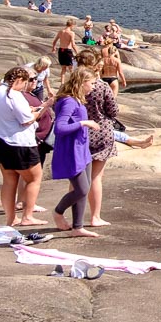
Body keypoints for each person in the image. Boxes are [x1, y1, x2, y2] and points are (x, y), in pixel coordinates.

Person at [0, 66, 51, 227]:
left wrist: (30, 110)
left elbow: (11, 114)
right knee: (34, 179)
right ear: (19, 80)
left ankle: (10, 218)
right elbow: (27, 120)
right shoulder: (14, 95)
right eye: (26, 82)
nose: (25, 86)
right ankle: (27, 216)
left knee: (9, 180)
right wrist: (45, 106)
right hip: (19, 143)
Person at [50, 68, 101, 237]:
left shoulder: (77, 100)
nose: (93, 87)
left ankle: (77, 227)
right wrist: (84, 123)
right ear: (82, 82)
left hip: (82, 149)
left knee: (84, 188)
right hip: (71, 151)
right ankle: (58, 212)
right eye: (92, 83)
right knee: (82, 189)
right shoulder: (69, 101)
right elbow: (60, 127)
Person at [77, 49, 118, 227]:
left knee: (76, 177)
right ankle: (95, 217)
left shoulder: (72, 85)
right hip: (101, 132)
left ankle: (76, 218)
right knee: (95, 178)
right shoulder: (100, 86)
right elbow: (113, 110)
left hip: (78, 133)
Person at [51, 18, 77, 87]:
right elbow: (73, 44)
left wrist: (53, 48)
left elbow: (54, 41)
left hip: (61, 50)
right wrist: (77, 52)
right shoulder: (71, 33)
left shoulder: (61, 32)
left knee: (63, 68)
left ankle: (62, 83)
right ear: (72, 25)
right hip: (68, 51)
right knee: (71, 68)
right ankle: (73, 82)